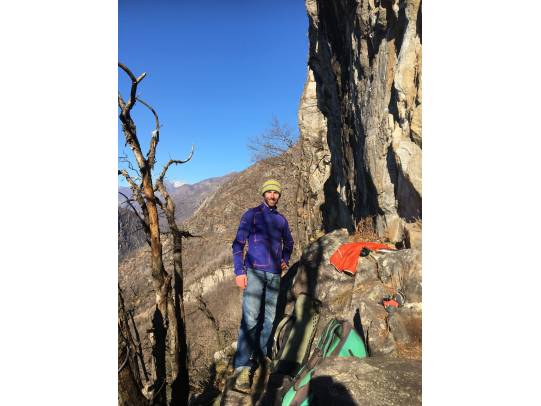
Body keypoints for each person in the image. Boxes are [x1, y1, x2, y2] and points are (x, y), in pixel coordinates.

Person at [231, 179, 294, 391]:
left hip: (274, 274)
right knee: (250, 319)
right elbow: (238, 244)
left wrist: (285, 259)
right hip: (254, 272)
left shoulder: (281, 220)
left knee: (269, 318)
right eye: (269, 192)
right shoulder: (251, 215)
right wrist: (239, 271)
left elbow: (289, 242)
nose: (273, 195)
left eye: (276, 192)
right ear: (263, 194)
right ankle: (242, 367)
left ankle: (260, 355)